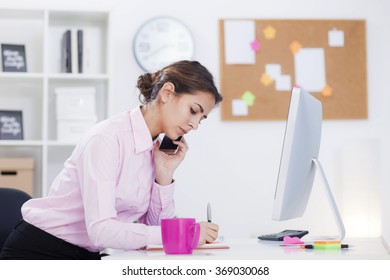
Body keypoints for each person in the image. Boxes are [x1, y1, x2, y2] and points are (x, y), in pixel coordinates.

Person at [0, 60, 223, 260]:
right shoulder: (107, 138)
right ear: (167, 93)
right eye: (193, 111)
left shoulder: (154, 150)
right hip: (38, 253)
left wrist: (164, 175)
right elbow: (101, 230)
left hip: (85, 255)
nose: (194, 125)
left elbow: (156, 232)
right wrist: (184, 233)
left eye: (201, 119)